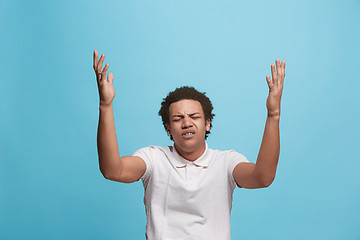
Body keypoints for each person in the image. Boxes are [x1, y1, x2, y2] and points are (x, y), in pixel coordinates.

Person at [93, 50, 285, 240]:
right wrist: (105, 105)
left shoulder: (226, 162)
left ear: (207, 123)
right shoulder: (153, 158)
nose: (186, 123)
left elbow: (262, 178)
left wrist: (273, 115)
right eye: (178, 118)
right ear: (168, 128)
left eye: (194, 117)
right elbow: (113, 170)